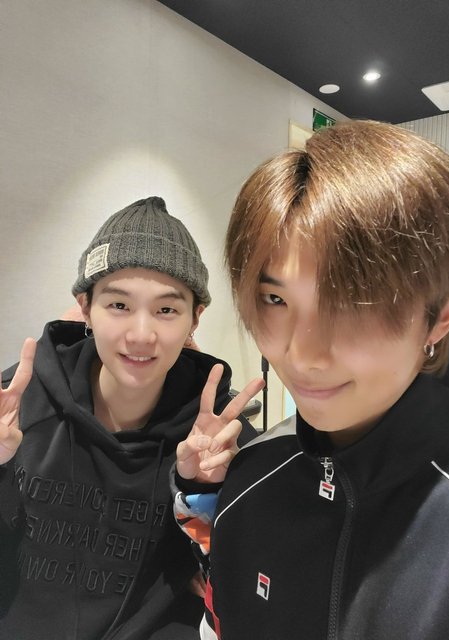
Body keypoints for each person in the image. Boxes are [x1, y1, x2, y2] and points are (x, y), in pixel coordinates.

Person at [176, 120, 449, 640]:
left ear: (441, 317)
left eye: (354, 303)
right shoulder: (251, 476)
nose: (303, 353)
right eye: (276, 299)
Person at [0, 196, 263, 640]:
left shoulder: (216, 436)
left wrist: (201, 490)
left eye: (166, 310)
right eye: (119, 305)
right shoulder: (21, 406)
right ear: (86, 307)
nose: (141, 335)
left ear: (195, 318)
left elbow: (240, 579)